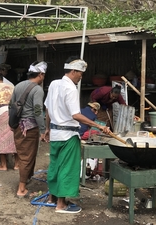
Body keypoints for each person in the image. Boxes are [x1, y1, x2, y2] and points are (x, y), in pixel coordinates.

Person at [44, 57, 110, 213]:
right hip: (68, 135)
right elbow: (75, 115)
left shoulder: (54, 84)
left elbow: (48, 108)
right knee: (67, 168)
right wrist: (98, 126)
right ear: (73, 71)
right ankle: (61, 204)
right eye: (80, 73)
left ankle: (52, 198)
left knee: (55, 166)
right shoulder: (71, 89)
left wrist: (47, 128)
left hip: (55, 134)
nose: (81, 77)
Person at [10, 61, 47, 198]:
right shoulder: (37, 89)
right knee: (27, 157)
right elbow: (38, 111)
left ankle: (26, 179)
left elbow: (11, 105)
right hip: (30, 128)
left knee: (24, 154)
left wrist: (11, 122)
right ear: (41, 74)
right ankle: (21, 188)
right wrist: (43, 129)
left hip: (18, 126)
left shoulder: (18, 85)